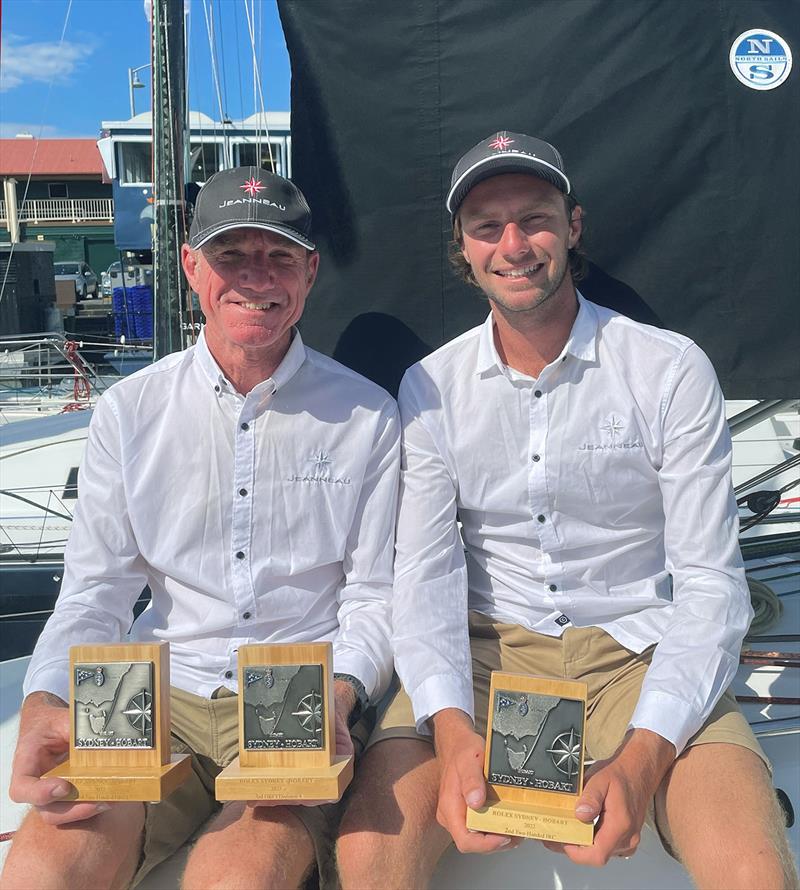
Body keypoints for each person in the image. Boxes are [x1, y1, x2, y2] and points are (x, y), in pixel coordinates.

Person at [336, 132, 798, 889]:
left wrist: (645, 759)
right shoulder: (430, 387)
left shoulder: (670, 369)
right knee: (368, 852)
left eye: (535, 219)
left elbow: (711, 583)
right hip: (487, 655)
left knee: (756, 872)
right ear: (463, 245)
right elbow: (421, 577)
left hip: (637, 654)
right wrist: (452, 735)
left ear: (572, 226)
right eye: (488, 226)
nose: (514, 245)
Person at [2, 166, 400, 890]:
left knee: (238, 878)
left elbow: (373, 596)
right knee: (39, 871)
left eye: (279, 255)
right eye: (231, 255)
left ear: (310, 271)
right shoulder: (128, 413)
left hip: (296, 693)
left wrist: (339, 696)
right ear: (191, 266)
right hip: (157, 691)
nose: (257, 276)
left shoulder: (370, 417)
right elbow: (96, 592)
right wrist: (44, 700)